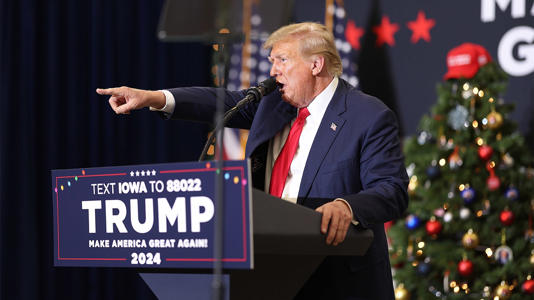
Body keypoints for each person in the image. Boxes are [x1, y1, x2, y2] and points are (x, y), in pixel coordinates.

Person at [97, 22, 408, 300]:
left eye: (282, 60)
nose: (273, 71)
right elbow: (219, 102)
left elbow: (392, 189)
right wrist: (153, 97)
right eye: (272, 61)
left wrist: (347, 206)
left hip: (338, 279)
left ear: (316, 64)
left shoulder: (368, 115)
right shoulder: (274, 104)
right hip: (272, 273)